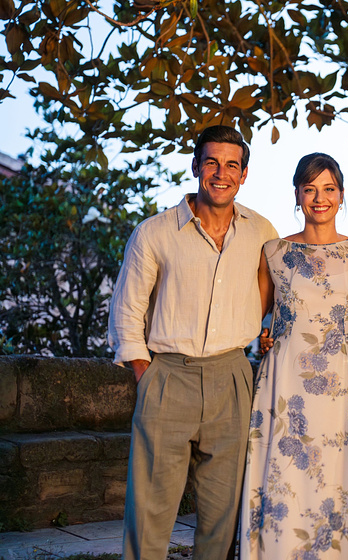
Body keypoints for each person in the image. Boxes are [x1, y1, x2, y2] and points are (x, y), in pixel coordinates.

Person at [108, 125, 278, 559]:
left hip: (233, 376)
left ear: (244, 174)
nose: (221, 173)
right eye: (212, 162)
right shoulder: (155, 232)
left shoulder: (262, 232)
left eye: (232, 165)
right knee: (150, 509)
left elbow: (282, 290)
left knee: (222, 515)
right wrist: (145, 374)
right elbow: (127, 310)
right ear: (195, 166)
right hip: (168, 376)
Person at [240, 153, 348, 559]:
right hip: (284, 383)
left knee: (334, 478)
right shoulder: (273, 251)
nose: (320, 198)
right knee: (284, 476)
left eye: (329, 189)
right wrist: (260, 339)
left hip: (337, 387)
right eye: (310, 189)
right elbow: (258, 319)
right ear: (297, 195)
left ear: (341, 194)